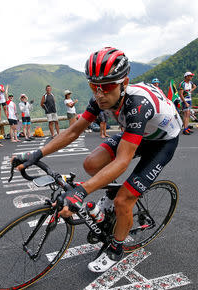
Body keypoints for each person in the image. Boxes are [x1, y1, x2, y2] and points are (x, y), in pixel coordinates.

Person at [12, 47, 182, 273]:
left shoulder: (137, 106)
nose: (100, 94)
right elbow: (73, 132)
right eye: (94, 87)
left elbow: (122, 161)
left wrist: (81, 192)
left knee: (124, 201)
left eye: (107, 86)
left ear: (124, 83)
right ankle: (112, 194)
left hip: (162, 141)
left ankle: (116, 248)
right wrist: (36, 154)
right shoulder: (100, 99)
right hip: (138, 133)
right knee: (90, 164)